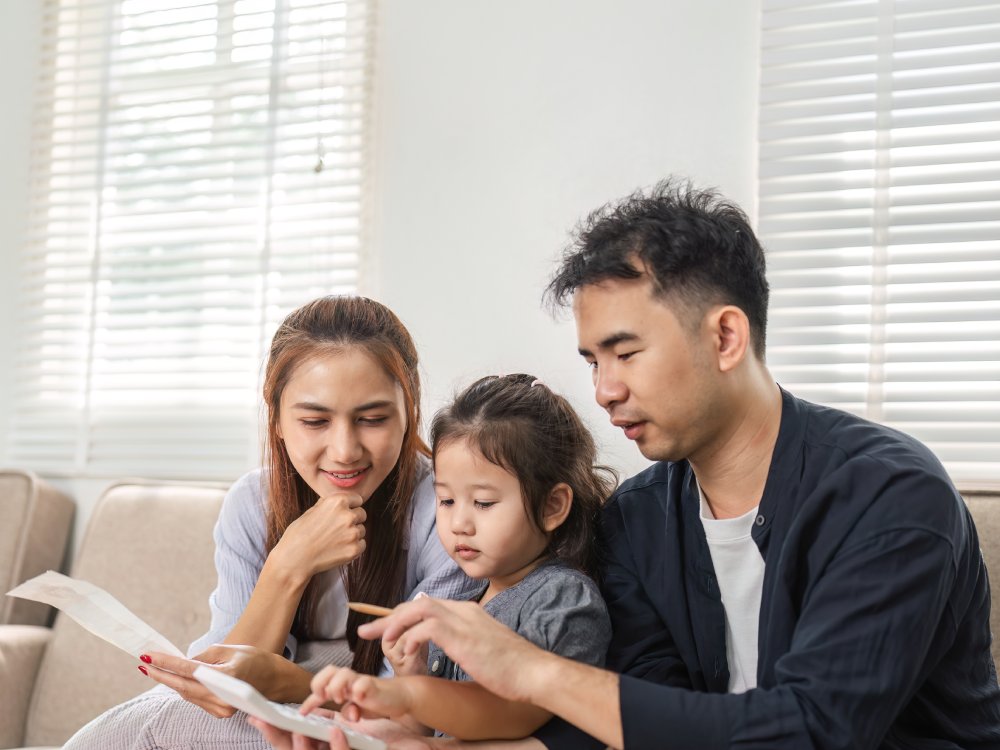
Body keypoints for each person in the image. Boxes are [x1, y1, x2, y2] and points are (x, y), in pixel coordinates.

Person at [261, 179, 999, 750]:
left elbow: (809, 732)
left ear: (726, 336)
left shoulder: (891, 499)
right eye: (592, 360)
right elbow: (629, 723)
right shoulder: (641, 518)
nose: (604, 389)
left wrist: (532, 669)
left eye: (627, 352)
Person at [64, 295, 480, 750]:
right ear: (277, 419)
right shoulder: (251, 504)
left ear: (409, 413)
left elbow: (414, 713)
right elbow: (220, 693)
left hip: (375, 726)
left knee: (165, 721)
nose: (344, 450)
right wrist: (289, 563)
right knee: (175, 714)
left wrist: (292, 683)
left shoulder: (447, 510)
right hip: (279, 715)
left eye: (373, 419)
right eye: (315, 420)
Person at [296, 374, 615, 740]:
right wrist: (408, 676)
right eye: (446, 500)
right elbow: (430, 735)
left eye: (483, 503)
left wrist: (404, 694)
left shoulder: (562, 598)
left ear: (552, 506)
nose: (459, 523)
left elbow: (512, 713)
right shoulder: (465, 602)